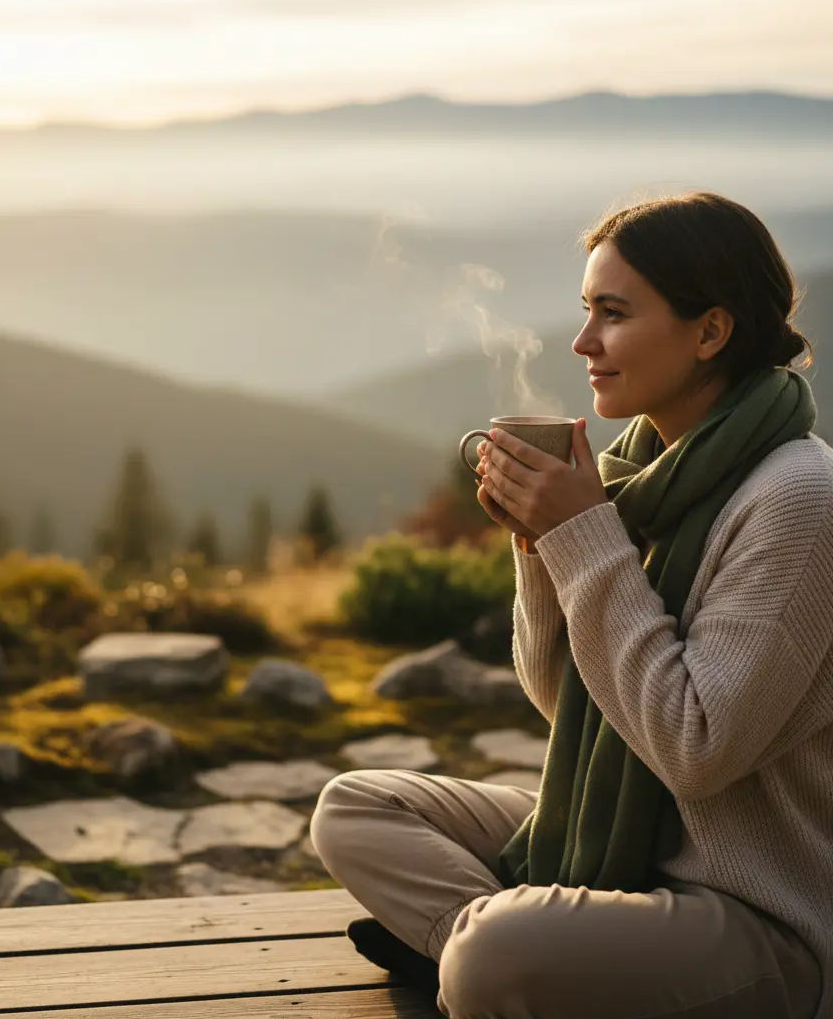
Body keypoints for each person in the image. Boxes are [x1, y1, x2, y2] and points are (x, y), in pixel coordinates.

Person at [310, 191, 833, 1019]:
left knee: (495, 956)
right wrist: (540, 544)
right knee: (357, 807)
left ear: (710, 331)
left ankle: (475, 950)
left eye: (613, 314)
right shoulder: (646, 480)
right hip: (634, 839)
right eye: (586, 310)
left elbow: (694, 748)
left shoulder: (797, 498)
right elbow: (571, 701)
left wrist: (582, 535)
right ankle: (492, 950)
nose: (584, 341)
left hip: (759, 912)